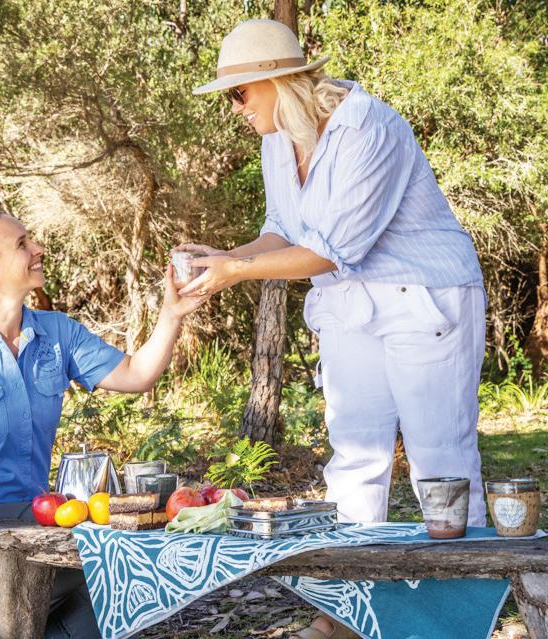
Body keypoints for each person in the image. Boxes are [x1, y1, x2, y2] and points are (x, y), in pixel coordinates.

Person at [179, 20, 487, 639]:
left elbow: (330, 250)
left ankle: (458, 615)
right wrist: (222, 259)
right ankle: (348, 614)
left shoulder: (369, 128)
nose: (234, 107)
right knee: (354, 459)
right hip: (350, 305)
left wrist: (236, 271)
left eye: (239, 93)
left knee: (439, 459)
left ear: (278, 81)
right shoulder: (276, 141)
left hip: (424, 298)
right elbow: (282, 233)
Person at [0, 208, 205, 638]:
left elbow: (136, 374)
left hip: (33, 521)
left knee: (110, 589)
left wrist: (173, 313)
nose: (38, 249)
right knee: (102, 576)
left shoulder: (57, 333)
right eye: (22, 244)